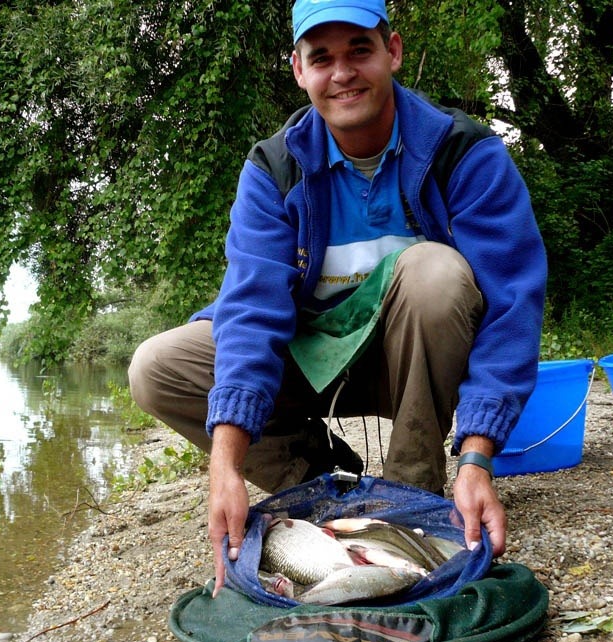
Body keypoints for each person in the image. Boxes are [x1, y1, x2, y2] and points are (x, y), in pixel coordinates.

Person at [128, 0, 547, 594]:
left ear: (393, 52)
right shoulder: (274, 168)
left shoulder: (466, 154)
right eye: (321, 57)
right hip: (309, 364)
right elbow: (251, 311)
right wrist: (225, 466)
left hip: (420, 363)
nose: (342, 72)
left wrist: (477, 457)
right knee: (156, 368)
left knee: (436, 273)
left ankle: (410, 496)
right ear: (299, 71)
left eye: (359, 50)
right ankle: (321, 485)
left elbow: (513, 307)